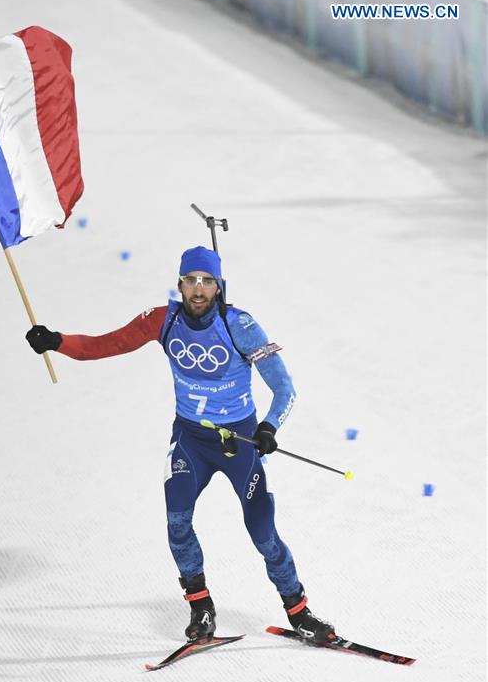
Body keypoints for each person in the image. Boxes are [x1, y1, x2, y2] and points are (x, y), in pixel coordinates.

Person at [26, 245, 335, 644]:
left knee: (263, 532)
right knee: (177, 520)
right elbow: (104, 346)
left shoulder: (240, 325)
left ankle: (299, 611)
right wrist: (56, 341)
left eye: (207, 281)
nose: (198, 289)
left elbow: (284, 387)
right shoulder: (163, 320)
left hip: (238, 442)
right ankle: (200, 607)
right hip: (191, 439)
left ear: (219, 287)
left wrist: (269, 428)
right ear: (179, 285)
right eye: (191, 281)